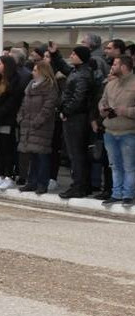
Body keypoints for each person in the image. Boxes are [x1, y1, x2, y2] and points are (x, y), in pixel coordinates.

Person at [49, 44, 95, 198]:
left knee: (76, 153)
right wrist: (55, 54)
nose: (72, 56)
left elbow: (78, 98)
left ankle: (79, 186)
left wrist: (65, 111)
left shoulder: (83, 75)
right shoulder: (77, 71)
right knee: (75, 153)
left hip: (77, 118)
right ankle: (82, 185)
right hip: (74, 117)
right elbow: (64, 67)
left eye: (75, 54)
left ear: (81, 57)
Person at [16, 61, 59, 194]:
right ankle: (32, 182)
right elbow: (24, 104)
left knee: (42, 155)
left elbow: (48, 108)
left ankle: (42, 183)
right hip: (28, 125)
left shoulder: (50, 87)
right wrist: (21, 118)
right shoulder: (31, 86)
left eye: (35, 70)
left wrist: (37, 121)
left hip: (41, 127)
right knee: (32, 156)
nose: (33, 72)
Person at [98, 55, 135, 206]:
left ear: (124, 66)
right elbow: (102, 100)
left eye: (115, 64)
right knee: (114, 165)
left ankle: (128, 195)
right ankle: (116, 193)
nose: (112, 67)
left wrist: (126, 111)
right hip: (110, 131)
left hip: (128, 132)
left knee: (129, 166)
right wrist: (102, 109)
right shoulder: (110, 84)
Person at [0, 54, 24, 191]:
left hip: (6, 121)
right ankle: (0, 175)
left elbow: (11, 104)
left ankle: (9, 176)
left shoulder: (15, 80)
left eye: (0, 63)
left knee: (7, 149)